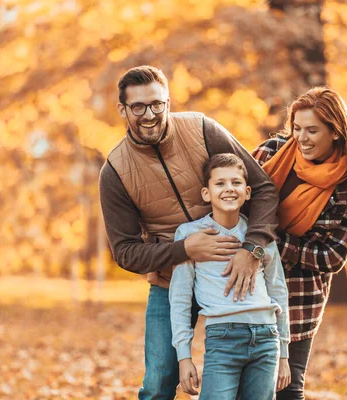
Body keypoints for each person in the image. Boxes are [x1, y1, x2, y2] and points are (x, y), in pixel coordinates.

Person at [99, 65, 279, 399]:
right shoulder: (115, 171)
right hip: (171, 280)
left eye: (157, 104)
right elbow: (125, 252)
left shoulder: (202, 128)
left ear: (168, 101)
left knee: (246, 379)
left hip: (231, 272)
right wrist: (186, 249)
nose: (150, 114)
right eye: (138, 107)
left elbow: (263, 189)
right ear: (122, 110)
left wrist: (252, 249)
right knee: (157, 384)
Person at [252, 87, 347, 400]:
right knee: (245, 386)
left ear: (335, 132)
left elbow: (333, 257)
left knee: (289, 390)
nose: (302, 138)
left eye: (312, 130)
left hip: (299, 298)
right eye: (296, 128)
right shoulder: (271, 154)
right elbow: (235, 203)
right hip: (249, 288)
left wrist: (273, 242)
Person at [170, 154, 291, 399]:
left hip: (266, 338)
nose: (229, 189)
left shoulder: (258, 234)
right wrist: (184, 357)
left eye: (236, 183)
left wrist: (284, 354)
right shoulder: (190, 234)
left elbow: (278, 290)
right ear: (206, 193)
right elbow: (180, 299)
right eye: (220, 183)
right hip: (222, 339)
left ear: (247, 192)